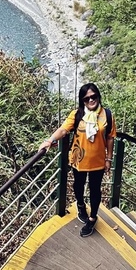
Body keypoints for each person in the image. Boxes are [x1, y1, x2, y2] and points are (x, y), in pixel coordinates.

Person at [39, 82, 116, 237]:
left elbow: (110, 138)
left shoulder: (107, 115)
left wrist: (109, 159)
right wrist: (49, 140)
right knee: (78, 185)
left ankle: (92, 218)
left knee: (95, 189)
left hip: (98, 161)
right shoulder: (76, 114)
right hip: (78, 159)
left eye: (93, 96)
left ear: (98, 96)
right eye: (86, 98)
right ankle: (80, 205)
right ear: (82, 101)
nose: (91, 100)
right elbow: (63, 130)